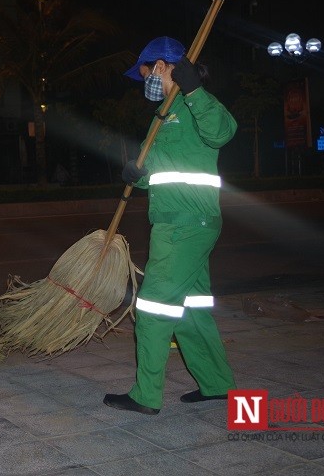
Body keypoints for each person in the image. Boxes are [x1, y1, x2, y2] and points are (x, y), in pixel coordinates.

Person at [103, 36, 238, 415]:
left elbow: (222, 132)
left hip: (185, 224)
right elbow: (160, 169)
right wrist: (137, 175)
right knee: (191, 308)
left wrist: (194, 89)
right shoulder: (162, 113)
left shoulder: (193, 104)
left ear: (162, 67)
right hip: (180, 222)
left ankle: (146, 395)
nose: (142, 81)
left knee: (152, 307)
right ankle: (216, 385)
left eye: (145, 72)